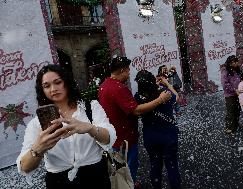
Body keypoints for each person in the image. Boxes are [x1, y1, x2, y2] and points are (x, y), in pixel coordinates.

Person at [16, 64, 116, 189]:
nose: (53, 89)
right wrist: (38, 148)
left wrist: (89, 128)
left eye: (58, 82)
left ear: (67, 82)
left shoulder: (90, 108)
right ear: (42, 90)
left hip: (95, 176)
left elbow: (109, 138)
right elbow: (24, 167)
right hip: (58, 182)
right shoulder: (36, 124)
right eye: (46, 86)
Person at [98, 56, 172, 186]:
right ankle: (128, 184)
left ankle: (128, 182)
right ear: (122, 71)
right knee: (128, 167)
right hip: (124, 138)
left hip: (114, 136)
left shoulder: (104, 85)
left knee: (119, 169)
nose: (128, 74)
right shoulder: (119, 88)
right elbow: (136, 110)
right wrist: (160, 99)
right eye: (127, 71)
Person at [134, 70, 181, 189]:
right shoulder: (164, 93)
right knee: (172, 166)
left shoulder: (138, 97)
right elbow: (177, 98)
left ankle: (156, 186)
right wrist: (167, 84)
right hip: (168, 135)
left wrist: (151, 84)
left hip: (151, 136)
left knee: (155, 165)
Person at [221, 55, 242, 135]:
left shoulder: (237, 70)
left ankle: (236, 124)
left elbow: (242, 79)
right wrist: (234, 90)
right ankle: (228, 127)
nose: (236, 63)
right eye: (234, 62)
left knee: (238, 109)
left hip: (239, 93)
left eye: (237, 61)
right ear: (230, 63)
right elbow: (224, 84)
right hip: (230, 95)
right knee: (231, 111)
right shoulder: (225, 71)